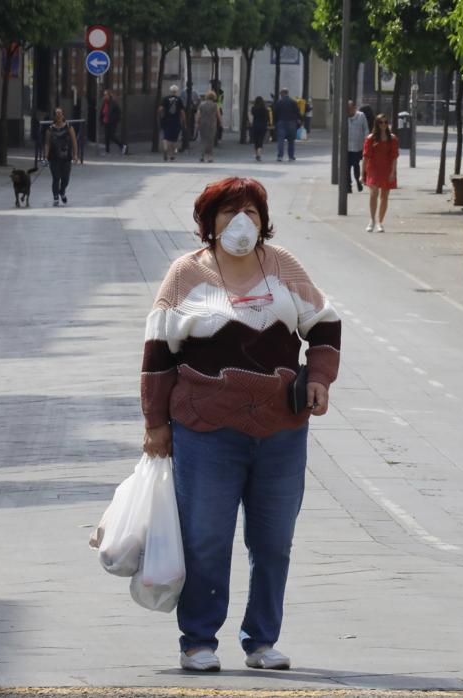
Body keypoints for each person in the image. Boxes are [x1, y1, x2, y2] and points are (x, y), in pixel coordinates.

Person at [141, 176, 341, 673]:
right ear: (208, 221)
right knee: (206, 537)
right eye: (229, 212)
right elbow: (157, 355)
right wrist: (155, 424)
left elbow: (324, 323)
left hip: (282, 431)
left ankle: (261, 640)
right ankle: (198, 640)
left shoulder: (284, 267)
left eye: (251, 212)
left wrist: (320, 377)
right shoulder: (184, 276)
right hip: (204, 431)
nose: (241, 223)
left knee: (274, 539)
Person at [362, 114, 400, 233]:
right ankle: (372, 220)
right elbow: (366, 156)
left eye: (385, 122)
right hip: (373, 168)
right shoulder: (371, 138)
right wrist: (362, 173)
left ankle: (380, 222)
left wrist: (393, 172)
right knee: (374, 193)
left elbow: (394, 157)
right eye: (381, 122)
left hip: (387, 169)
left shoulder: (392, 138)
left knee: (384, 196)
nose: (384, 124)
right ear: (377, 124)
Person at [45, 106, 79, 206]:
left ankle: (62, 191)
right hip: (54, 157)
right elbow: (47, 143)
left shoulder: (69, 127)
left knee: (65, 179)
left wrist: (75, 155)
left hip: (66, 157)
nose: (59, 115)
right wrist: (46, 155)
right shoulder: (50, 129)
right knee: (56, 178)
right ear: (55, 116)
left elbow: (74, 142)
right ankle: (56, 197)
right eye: (57, 114)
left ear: (63, 115)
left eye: (60, 113)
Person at [345, 100, 368, 192]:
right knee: (346, 167)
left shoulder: (361, 116)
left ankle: (358, 181)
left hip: (357, 147)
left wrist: (366, 142)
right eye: (347, 109)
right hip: (346, 147)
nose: (349, 111)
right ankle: (348, 186)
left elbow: (366, 129)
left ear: (354, 108)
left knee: (356, 165)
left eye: (350, 109)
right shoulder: (344, 116)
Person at [272, 88, 301, 161]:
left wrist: (275, 123)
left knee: (280, 141)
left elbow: (274, 113)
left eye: (280, 94)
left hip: (281, 123)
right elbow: (298, 112)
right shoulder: (293, 102)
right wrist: (299, 120)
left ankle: (280, 156)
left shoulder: (279, 102)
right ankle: (291, 157)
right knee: (291, 141)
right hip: (291, 123)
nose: (280, 95)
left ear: (282, 93)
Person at [158, 85, 186, 161]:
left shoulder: (165, 99)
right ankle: (172, 155)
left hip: (166, 120)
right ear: (176, 92)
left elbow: (160, 109)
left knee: (166, 137)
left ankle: (165, 149)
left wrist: (162, 116)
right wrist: (184, 121)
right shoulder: (179, 100)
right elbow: (182, 112)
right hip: (176, 121)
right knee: (174, 139)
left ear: (170, 91)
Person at [196, 91, 221, 163]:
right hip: (212, 124)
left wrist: (197, 123)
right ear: (214, 97)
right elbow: (218, 115)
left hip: (203, 124)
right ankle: (210, 157)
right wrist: (221, 122)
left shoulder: (201, 104)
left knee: (203, 139)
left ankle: (202, 156)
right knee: (210, 140)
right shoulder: (215, 105)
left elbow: (198, 115)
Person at [101, 89, 126, 155]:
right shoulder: (105, 103)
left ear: (109, 95)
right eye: (104, 95)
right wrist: (101, 119)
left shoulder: (114, 103)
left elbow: (119, 112)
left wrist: (115, 119)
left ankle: (122, 146)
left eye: (106, 95)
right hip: (106, 121)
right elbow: (102, 112)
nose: (104, 96)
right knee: (106, 136)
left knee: (112, 136)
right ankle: (107, 151)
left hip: (112, 122)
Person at [250, 96, 270, 162]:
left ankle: (257, 154)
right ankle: (259, 153)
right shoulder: (265, 109)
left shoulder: (253, 108)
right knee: (261, 140)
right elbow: (268, 118)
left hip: (255, 125)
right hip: (263, 126)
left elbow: (252, 115)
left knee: (256, 140)